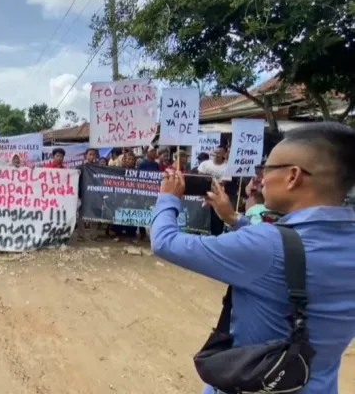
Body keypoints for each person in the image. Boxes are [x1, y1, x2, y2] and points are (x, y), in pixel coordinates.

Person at [151, 122, 355, 394]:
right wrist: (234, 219)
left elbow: (166, 242)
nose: (258, 180)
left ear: (293, 176)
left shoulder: (266, 245)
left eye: (266, 169)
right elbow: (291, 255)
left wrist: (167, 198)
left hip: (252, 383)